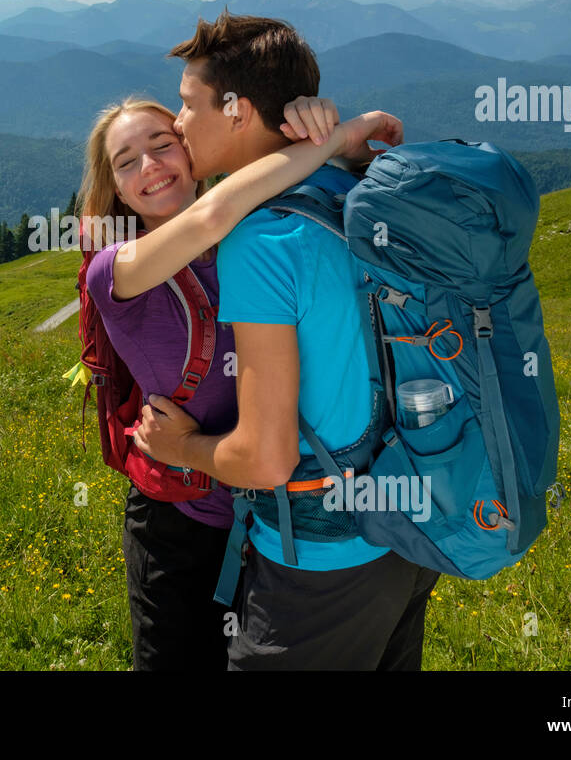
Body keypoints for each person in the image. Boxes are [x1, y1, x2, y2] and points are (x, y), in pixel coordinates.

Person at [134, 10, 440, 670]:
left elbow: (266, 459)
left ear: (239, 110)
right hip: (411, 531)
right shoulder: (355, 186)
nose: (179, 123)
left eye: (189, 105)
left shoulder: (264, 239)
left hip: (323, 563)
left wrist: (181, 445)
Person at [78, 93, 401, 670]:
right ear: (116, 190)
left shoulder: (254, 235)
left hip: (271, 520)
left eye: (162, 145)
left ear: (191, 150)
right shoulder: (114, 270)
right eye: (127, 162)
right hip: (180, 524)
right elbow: (210, 216)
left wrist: (303, 124)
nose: (149, 166)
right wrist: (341, 133)